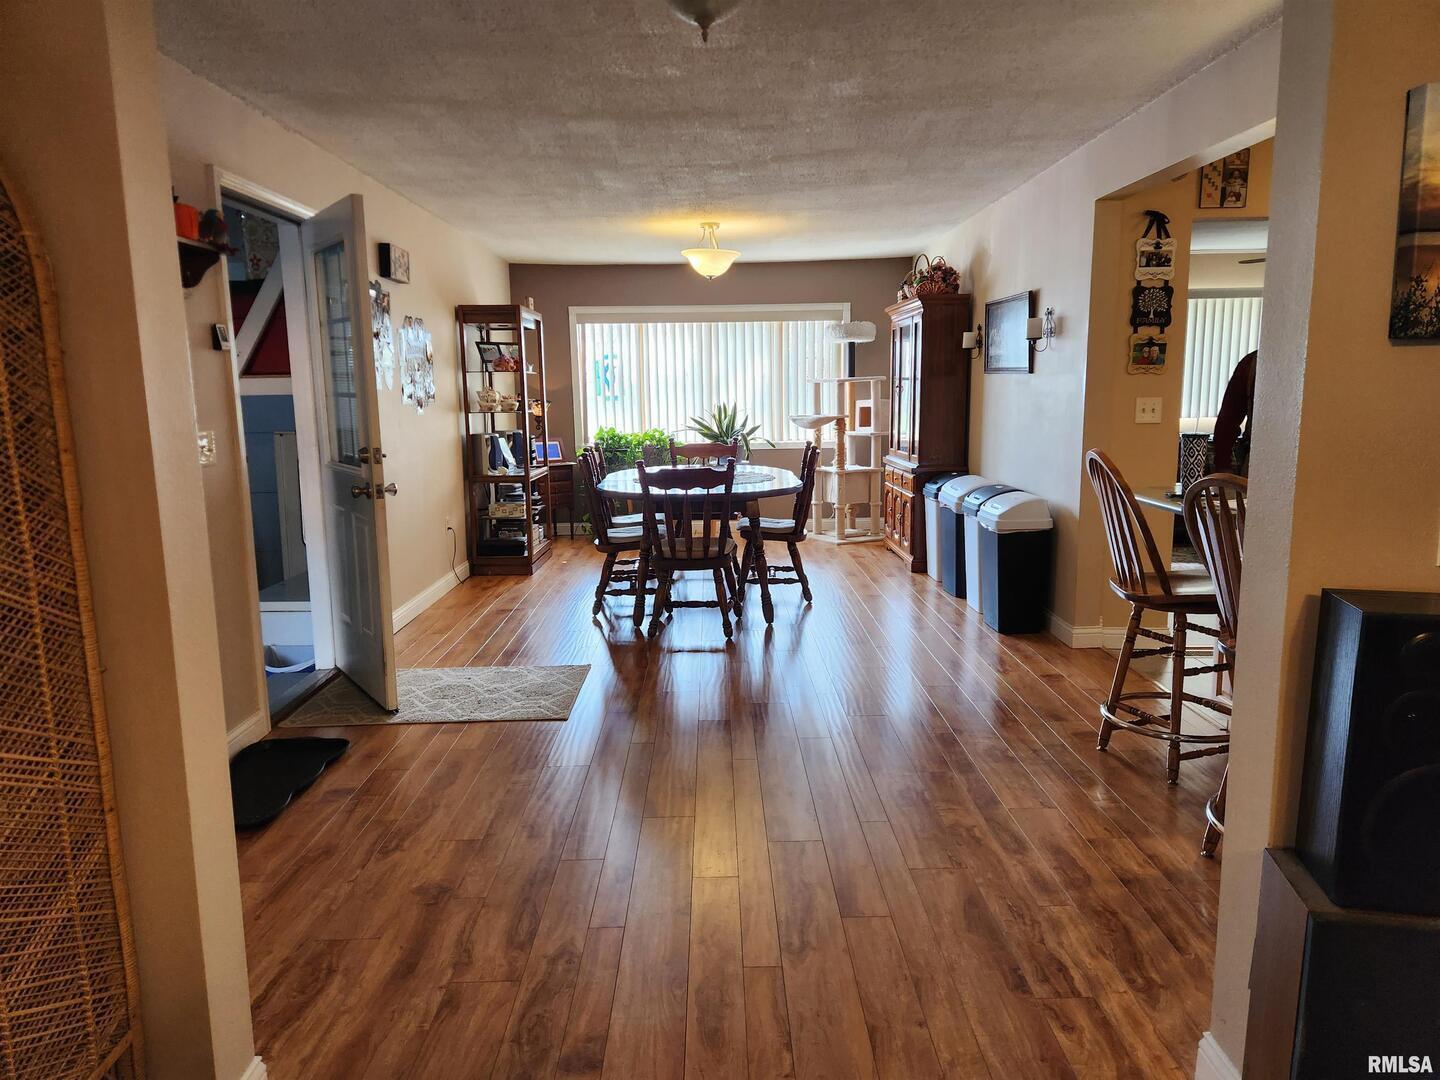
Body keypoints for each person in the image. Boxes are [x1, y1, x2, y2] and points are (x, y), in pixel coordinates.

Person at [1212, 349, 1257, 472]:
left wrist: (1223, 468)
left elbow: (1226, 424)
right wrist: (1223, 468)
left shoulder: (1251, 364)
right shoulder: (1250, 365)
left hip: (1255, 464)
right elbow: (1226, 424)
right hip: (1255, 463)